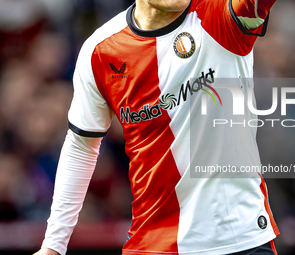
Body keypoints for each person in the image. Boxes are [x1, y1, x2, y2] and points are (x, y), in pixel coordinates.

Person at [34, 0, 279, 254]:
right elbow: (81, 146)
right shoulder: (100, 50)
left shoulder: (225, 14)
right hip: (153, 244)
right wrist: (53, 245)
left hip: (240, 240)